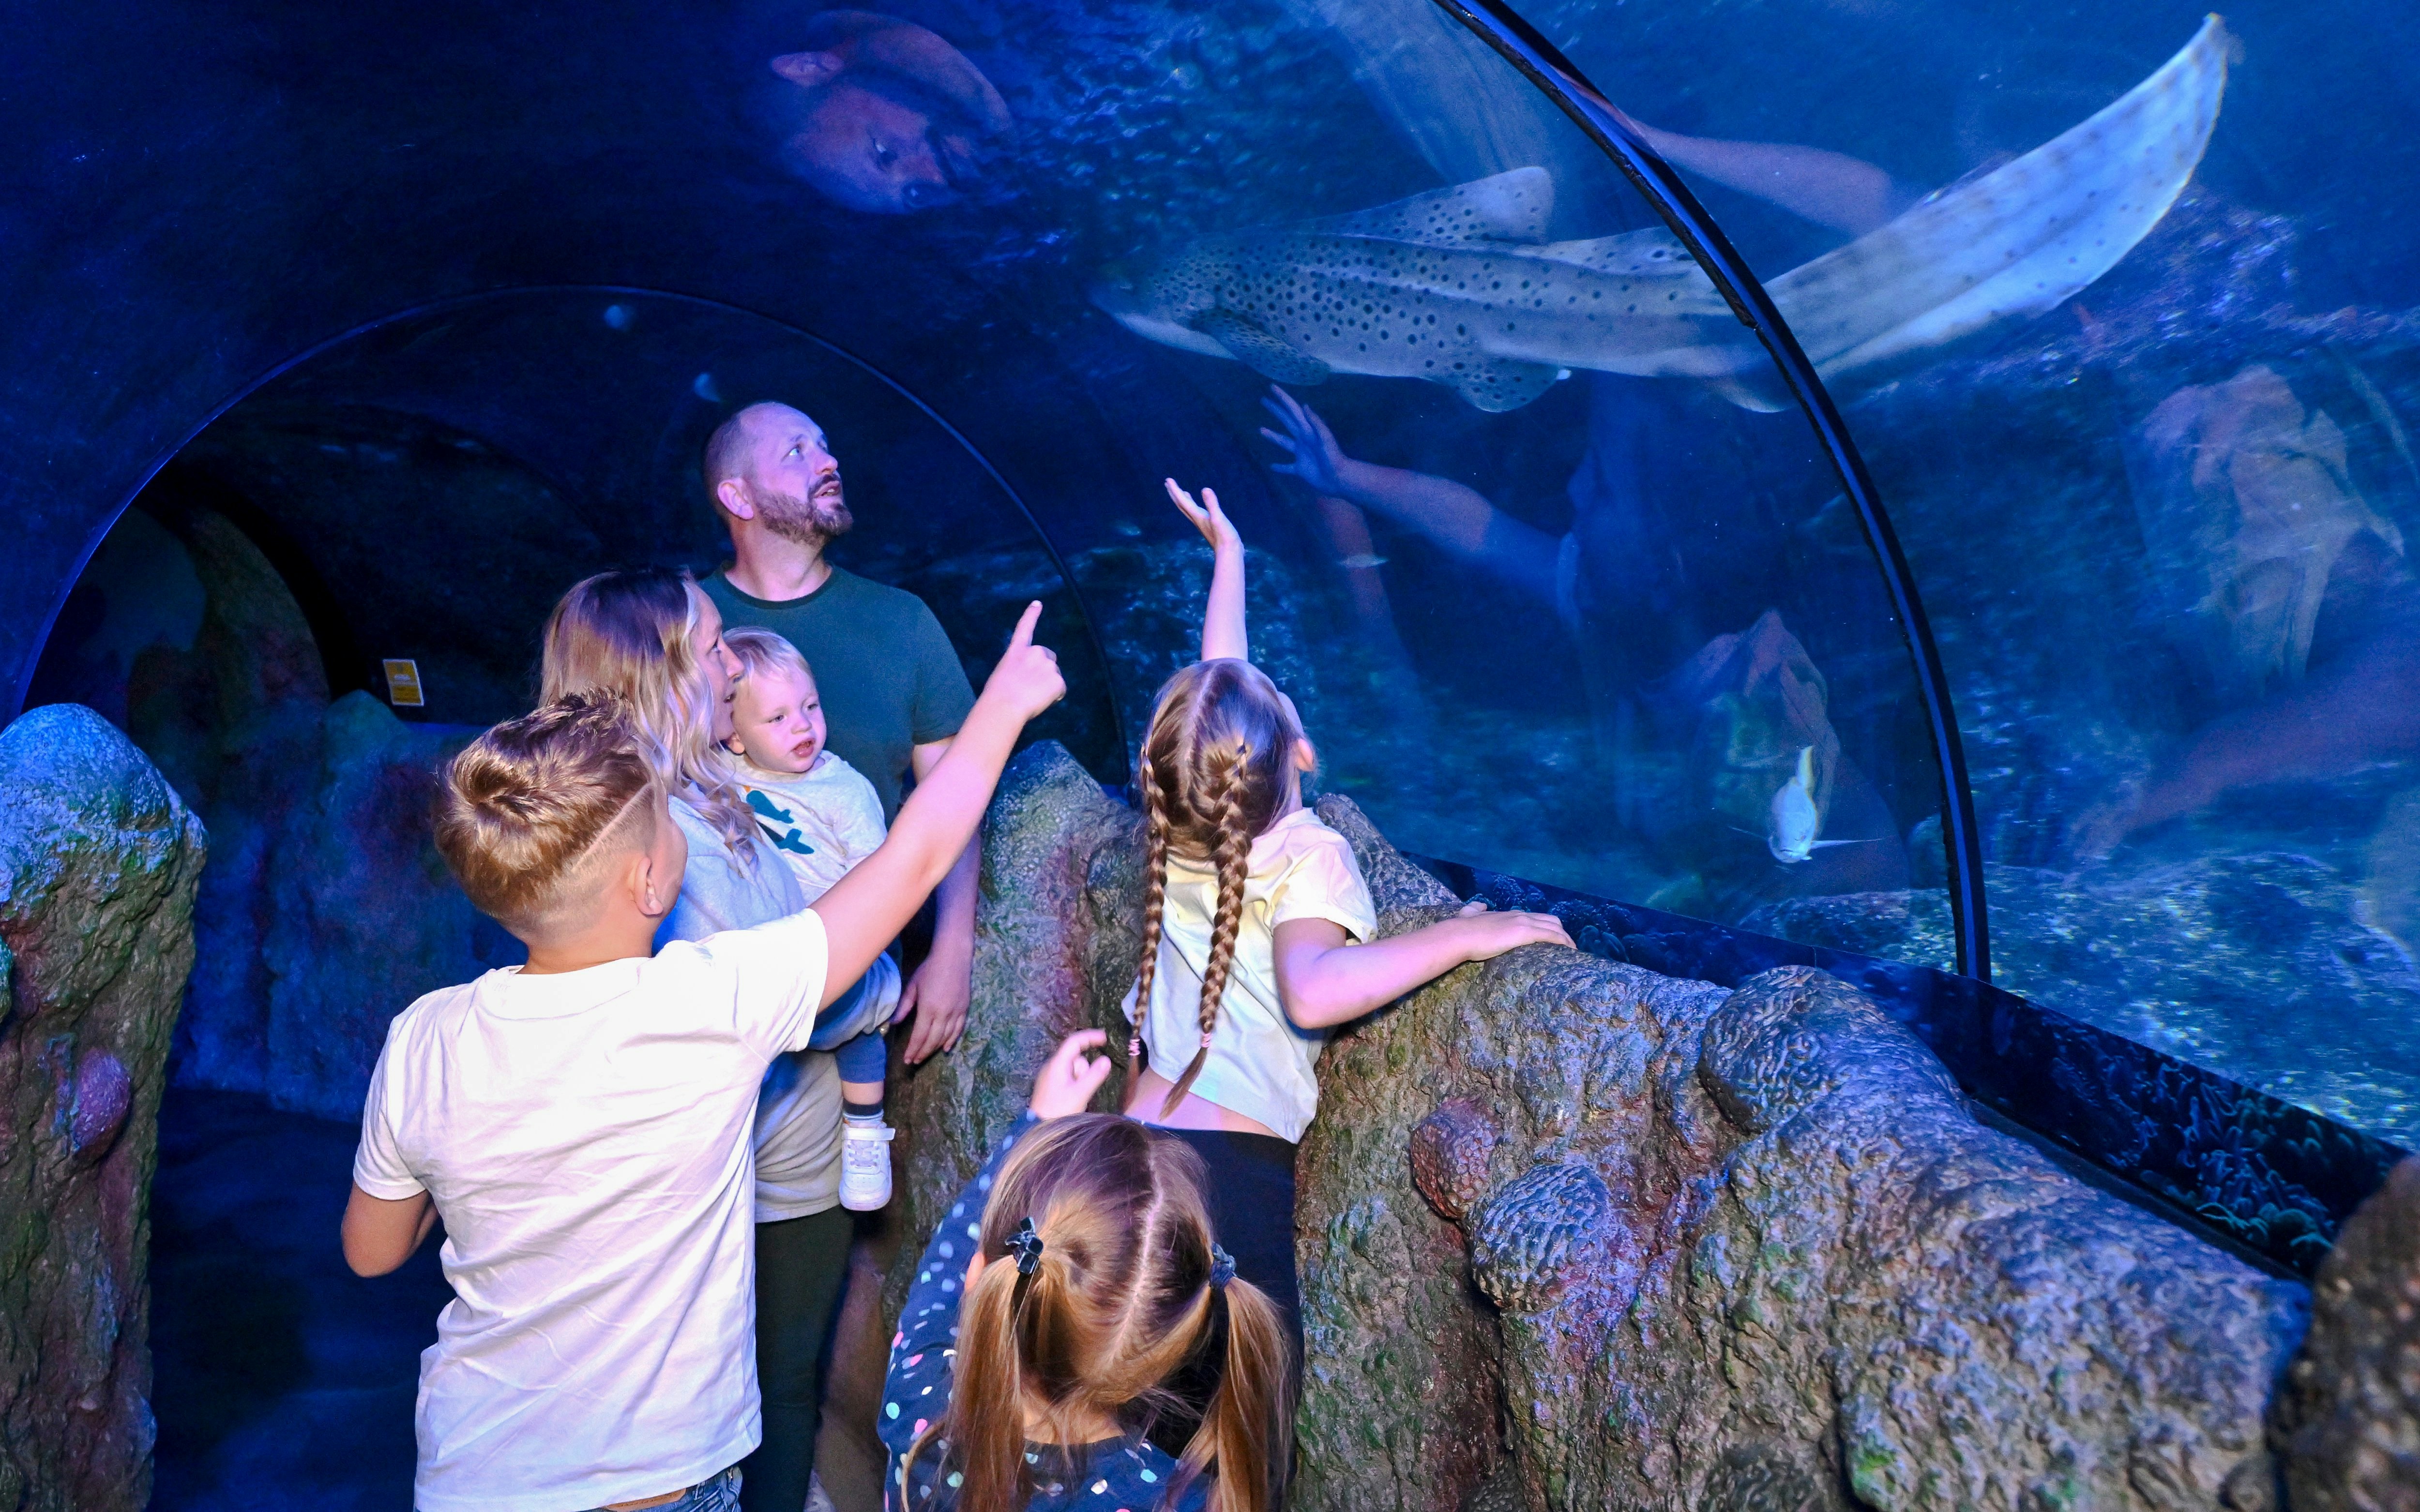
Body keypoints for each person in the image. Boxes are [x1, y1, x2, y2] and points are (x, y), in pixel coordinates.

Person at [338, 606, 1064, 1512]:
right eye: (663, 816)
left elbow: (373, 1251)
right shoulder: (708, 1007)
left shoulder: (424, 1035)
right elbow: (914, 860)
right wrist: (1001, 706)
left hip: (474, 1473)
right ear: (651, 880)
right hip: (656, 1485)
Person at [1120, 479, 1573, 1347]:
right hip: (1227, 1171)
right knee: (1246, 1394)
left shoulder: (1179, 823)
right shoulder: (1308, 852)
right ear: (1301, 752)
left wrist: (1230, 560)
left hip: (1135, 1131)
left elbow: (1218, 704)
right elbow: (1315, 990)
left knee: (1123, 1367)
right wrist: (1461, 934)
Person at [534, 568, 888, 1512]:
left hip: (785, 1156)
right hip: (723, 1175)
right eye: (716, 645)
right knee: (734, 1401)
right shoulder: (653, 831)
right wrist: (885, 985)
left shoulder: (693, 786)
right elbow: (793, 997)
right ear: (657, 672)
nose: (733, 666)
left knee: (771, 1386)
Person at [880, 1030, 1292, 1512]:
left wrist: (1035, 1124)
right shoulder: (1178, 1500)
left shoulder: (920, 1404)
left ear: (982, 1279)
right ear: (1168, 1351)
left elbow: (942, 1273)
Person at [700, 401, 980, 1074]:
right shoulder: (689, 631)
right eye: (796, 451)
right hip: (712, 1001)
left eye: (825, 446)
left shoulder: (903, 623)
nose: (829, 462)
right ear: (737, 496)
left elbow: (956, 800)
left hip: (857, 993)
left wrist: (953, 951)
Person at [723, 624, 900, 1210]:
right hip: (765, 961)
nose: (802, 725)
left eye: (810, 706)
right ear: (734, 735)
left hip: (834, 954)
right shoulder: (719, 774)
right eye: (777, 718)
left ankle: (865, 1132)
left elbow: (882, 875)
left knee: (863, 1034)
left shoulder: (844, 789)